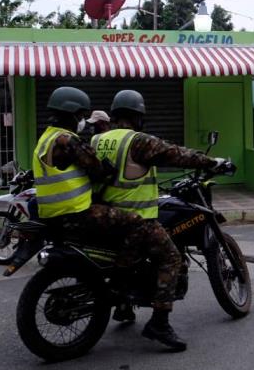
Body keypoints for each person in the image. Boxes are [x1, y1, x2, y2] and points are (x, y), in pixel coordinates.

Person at [21, 86, 191, 352]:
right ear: (71, 113)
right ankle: (133, 294)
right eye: (81, 115)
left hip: (53, 216)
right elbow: (97, 169)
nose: (83, 121)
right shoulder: (68, 140)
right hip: (78, 213)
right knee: (139, 223)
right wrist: (105, 170)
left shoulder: (46, 138)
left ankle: (123, 304)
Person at [91, 89, 230, 352]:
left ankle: (123, 305)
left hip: (105, 217)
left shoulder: (99, 139)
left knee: (135, 258)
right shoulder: (137, 141)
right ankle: (159, 323)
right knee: (172, 259)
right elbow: (175, 154)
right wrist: (212, 162)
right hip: (135, 219)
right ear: (137, 116)